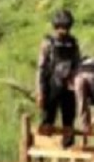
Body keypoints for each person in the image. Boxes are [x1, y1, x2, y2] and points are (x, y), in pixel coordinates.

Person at [35, 9, 81, 148]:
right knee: (48, 120)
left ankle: (67, 149)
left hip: (68, 87)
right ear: (56, 27)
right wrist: (40, 92)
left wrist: (75, 80)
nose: (64, 31)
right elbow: (41, 68)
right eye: (62, 27)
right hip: (51, 87)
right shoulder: (48, 43)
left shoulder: (73, 43)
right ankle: (43, 151)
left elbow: (77, 65)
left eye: (67, 27)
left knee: (69, 121)